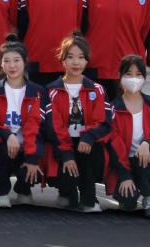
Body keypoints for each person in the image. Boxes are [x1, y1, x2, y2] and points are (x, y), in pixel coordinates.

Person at [0, 35, 47, 208]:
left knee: (33, 163)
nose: (12, 65)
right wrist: (7, 135)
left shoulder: (38, 92)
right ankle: (0, 192)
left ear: (25, 62)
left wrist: (32, 157)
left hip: (29, 148)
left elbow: (42, 128)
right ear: (1, 64)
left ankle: (24, 189)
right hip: (2, 146)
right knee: (1, 151)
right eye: (7, 61)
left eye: (16, 60)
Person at [46, 33, 110, 213]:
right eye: (70, 57)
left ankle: (89, 197)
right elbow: (52, 126)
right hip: (62, 144)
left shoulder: (97, 89)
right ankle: (67, 191)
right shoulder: (51, 90)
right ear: (62, 60)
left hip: (86, 143)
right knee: (66, 178)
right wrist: (66, 154)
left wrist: (88, 137)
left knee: (90, 157)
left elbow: (103, 121)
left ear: (87, 61)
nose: (76, 62)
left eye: (81, 57)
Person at [104, 55, 150, 219]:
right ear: (119, 76)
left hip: (145, 159)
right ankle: (126, 189)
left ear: (144, 78)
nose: (134, 79)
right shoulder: (113, 109)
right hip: (122, 163)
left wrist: (147, 143)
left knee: (146, 157)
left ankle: (149, 198)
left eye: (138, 74)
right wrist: (125, 175)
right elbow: (114, 145)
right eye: (128, 74)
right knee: (128, 204)